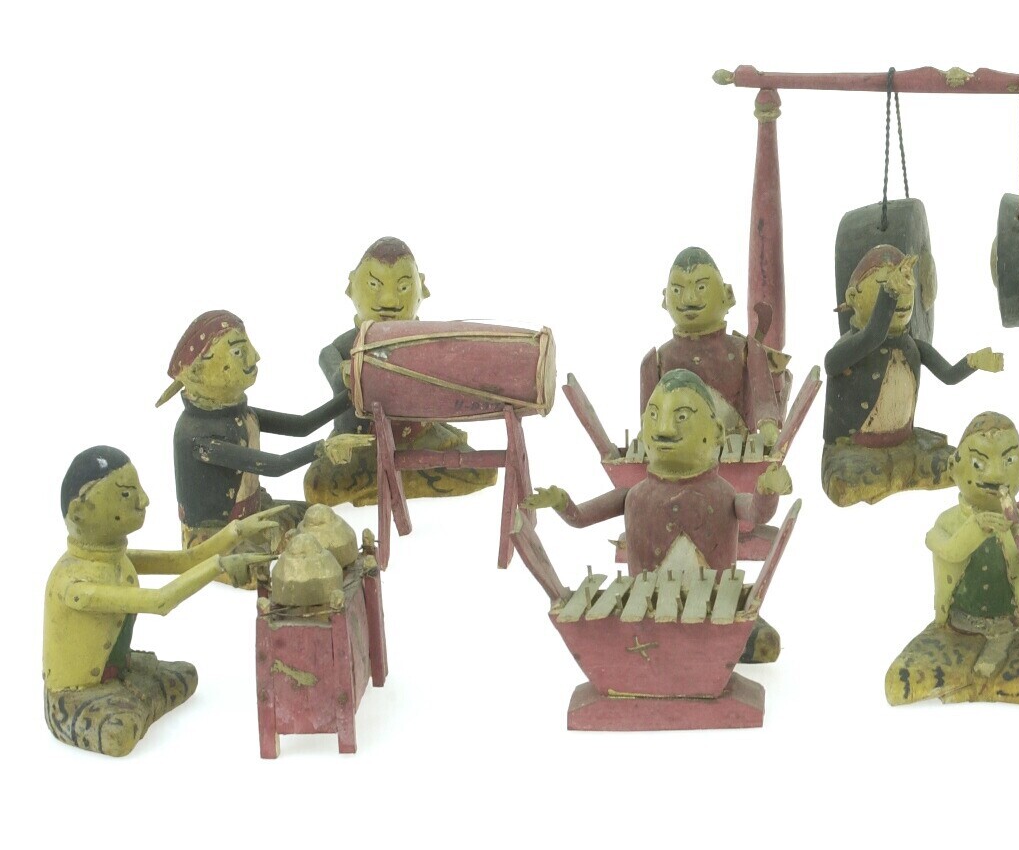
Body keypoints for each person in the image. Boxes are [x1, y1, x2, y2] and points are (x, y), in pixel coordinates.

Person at [527, 370, 784, 660]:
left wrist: (767, 490)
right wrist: (562, 503)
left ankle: (717, 644)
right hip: (649, 616)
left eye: (682, 416)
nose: (664, 429)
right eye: (653, 415)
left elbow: (758, 513)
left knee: (758, 641)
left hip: (713, 611)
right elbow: (580, 518)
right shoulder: (634, 496)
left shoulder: (723, 494)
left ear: (717, 433)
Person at [43, 447, 276, 756]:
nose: (144, 500)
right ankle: (124, 700)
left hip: (120, 670)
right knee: (120, 732)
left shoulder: (114, 558)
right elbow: (160, 601)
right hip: (75, 696)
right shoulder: (72, 584)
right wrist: (220, 566)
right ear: (79, 513)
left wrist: (237, 531)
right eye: (126, 494)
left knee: (186, 677)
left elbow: (185, 560)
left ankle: (130, 690)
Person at [886, 413, 1019, 706]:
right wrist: (976, 528)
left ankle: (989, 667)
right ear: (955, 468)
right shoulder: (949, 521)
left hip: (1011, 624)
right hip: (957, 627)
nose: (995, 474)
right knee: (907, 677)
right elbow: (949, 550)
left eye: (1008, 461)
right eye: (979, 464)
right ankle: (974, 674)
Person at [159, 310, 370, 557]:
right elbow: (275, 465)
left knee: (318, 518)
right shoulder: (197, 435)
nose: (255, 356)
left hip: (256, 512)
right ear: (196, 373)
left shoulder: (240, 414)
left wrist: (352, 395)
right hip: (217, 538)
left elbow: (301, 426)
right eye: (238, 352)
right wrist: (323, 449)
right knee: (259, 564)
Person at [305, 237, 495, 505]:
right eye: (374, 285)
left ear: (421, 288)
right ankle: (395, 480)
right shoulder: (346, 345)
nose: (389, 300)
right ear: (351, 286)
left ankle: (390, 481)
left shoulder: (425, 342)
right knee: (317, 486)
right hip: (361, 444)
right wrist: (345, 373)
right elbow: (330, 363)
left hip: (419, 438)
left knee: (480, 470)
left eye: (403, 287)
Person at [821, 244, 1003, 506]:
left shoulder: (913, 347)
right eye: (885, 283)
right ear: (854, 296)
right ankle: (892, 474)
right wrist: (889, 293)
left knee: (958, 464)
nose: (904, 291)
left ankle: (900, 473)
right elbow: (873, 336)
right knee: (848, 480)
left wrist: (973, 362)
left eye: (908, 285)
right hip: (855, 452)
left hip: (908, 445)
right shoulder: (850, 348)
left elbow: (949, 375)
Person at [639, 246, 787, 444]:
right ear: (665, 299)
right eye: (677, 290)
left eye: (701, 287)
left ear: (728, 295)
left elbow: (763, 399)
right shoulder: (657, 360)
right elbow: (648, 420)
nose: (689, 299)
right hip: (677, 450)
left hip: (734, 446)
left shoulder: (746, 351)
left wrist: (768, 426)